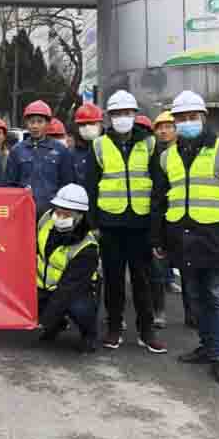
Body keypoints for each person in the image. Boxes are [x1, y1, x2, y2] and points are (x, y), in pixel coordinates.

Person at [151, 90, 219, 386]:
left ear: (203, 117)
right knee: (195, 295)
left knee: (218, 296)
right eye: (181, 118)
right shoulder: (167, 157)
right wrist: (157, 239)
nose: (187, 122)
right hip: (182, 237)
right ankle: (206, 345)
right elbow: (159, 200)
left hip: (217, 237)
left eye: (192, 117)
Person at [86, 90, 166, 354]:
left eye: (127, 113)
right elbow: (91, 187)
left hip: (141, 223)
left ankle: (147, 331)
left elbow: (158, 186)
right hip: (110, 223)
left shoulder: (150, 143)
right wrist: (93, 224)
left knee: (143, 280)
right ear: (109, 117)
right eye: (117, 113)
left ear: (135, 115)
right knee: (113, 279)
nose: (122, 117)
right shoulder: (99, 145)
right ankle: (114, 327)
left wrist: (156, 226)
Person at [37, 184, 100, 353]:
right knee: (28, 299)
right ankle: (57, 324)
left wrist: (45, 321)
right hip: (43, 285)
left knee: (79, 308)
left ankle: (89, 334)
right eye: (58, 212)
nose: (59, 217)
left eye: (66, 214)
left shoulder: (87, 247)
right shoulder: (45, 220)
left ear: (80, 215)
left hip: (76, 290)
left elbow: (68, 288)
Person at [6, 100, 75, 220]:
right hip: (23, 212)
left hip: (52, 213)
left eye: (39, 121)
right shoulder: (17, 150)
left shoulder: (60, 150)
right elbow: (9, 184)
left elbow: (67, 184)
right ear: (26, 124)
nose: (35, 126)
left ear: (48, 124)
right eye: (31, 122)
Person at [150, 111, 184, 327]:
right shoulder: (153, 153)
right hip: (160, 217)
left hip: (183, 217)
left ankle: (192, 314)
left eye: (168, 126)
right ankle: (159, 311)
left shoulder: (186, 153)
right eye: (160, 127)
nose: (164, 131)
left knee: (189, 270)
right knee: (157, 269)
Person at [72, 103, 104, 188]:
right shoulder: (72, 154)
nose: (87, 127)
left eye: (91, 123)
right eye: (82, 124)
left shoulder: (110, 147)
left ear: (101, 124)